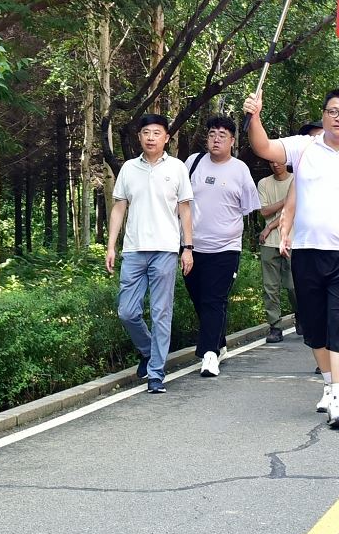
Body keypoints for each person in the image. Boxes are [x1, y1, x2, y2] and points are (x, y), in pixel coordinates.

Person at [244, 88, 339, 430]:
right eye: (333, 111)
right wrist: (255, 116)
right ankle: (329, 382)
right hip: (307, 251)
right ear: (324, 114)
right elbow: (264, 147)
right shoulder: (304, 146)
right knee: (314, 326)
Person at [105, 114, 194, 394]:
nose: (151, 137)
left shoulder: (177, 168)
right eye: (146, 132)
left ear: (166, 138)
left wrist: (187, 247)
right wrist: (111, 245)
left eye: (157, 133)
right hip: (133, 249)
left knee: (160, 312)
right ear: (139, 137)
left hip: (166, 250)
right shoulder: (129, 169)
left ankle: (156, 372)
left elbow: (185, 209)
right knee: (127, 312)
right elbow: (119, 207)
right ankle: (147, 351)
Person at [185, 116, 261, 376]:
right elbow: (180, 203)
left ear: (232, 141)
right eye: (212, 134)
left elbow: (248, 208)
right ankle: (219, 342)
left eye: (222, 135)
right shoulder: (192, 164)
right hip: (193, 247)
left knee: (214, 299)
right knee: (199, 299)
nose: (216, 139)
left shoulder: (240, 170)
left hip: (226, 248)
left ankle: (209, 354)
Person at [257, 156, 296, 343]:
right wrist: (287, 200)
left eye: (278, 161)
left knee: (293, 286)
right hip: (269, 243)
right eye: (271, 162)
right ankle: (275, 326)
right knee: (270, 287)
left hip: (293, 240)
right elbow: (264, 211)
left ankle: (302, 315)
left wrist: (270, 226)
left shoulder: (296, 180)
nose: (275, 164)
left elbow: (296, 210)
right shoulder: (264, 183)